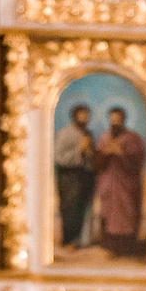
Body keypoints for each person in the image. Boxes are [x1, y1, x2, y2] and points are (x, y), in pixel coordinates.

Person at [92, 104, 145, 258]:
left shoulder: (133, 138)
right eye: (112, 119)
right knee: (108, 214)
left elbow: (137, 162)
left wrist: (121, 154)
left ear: (123, 120)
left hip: (127, 184)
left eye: (118, 120)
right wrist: (105, 153)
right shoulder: (104, 137)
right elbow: (98, 164)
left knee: (127, 214)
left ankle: (126, 246)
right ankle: (110, 245)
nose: (115, 122)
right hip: (109, 183)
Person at [54, 103, 96, 248]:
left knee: (81, 208)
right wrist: (79, 150)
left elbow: (91, 155)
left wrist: (90, 153)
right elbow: (59, 157)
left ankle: (79, 239)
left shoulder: (87, 134)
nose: (84, 118)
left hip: (84, 176)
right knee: (70, 208)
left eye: (86, 115)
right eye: (81, 115)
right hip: (69, 177)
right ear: (75, 116)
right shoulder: (65, 134)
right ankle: (68, 240)